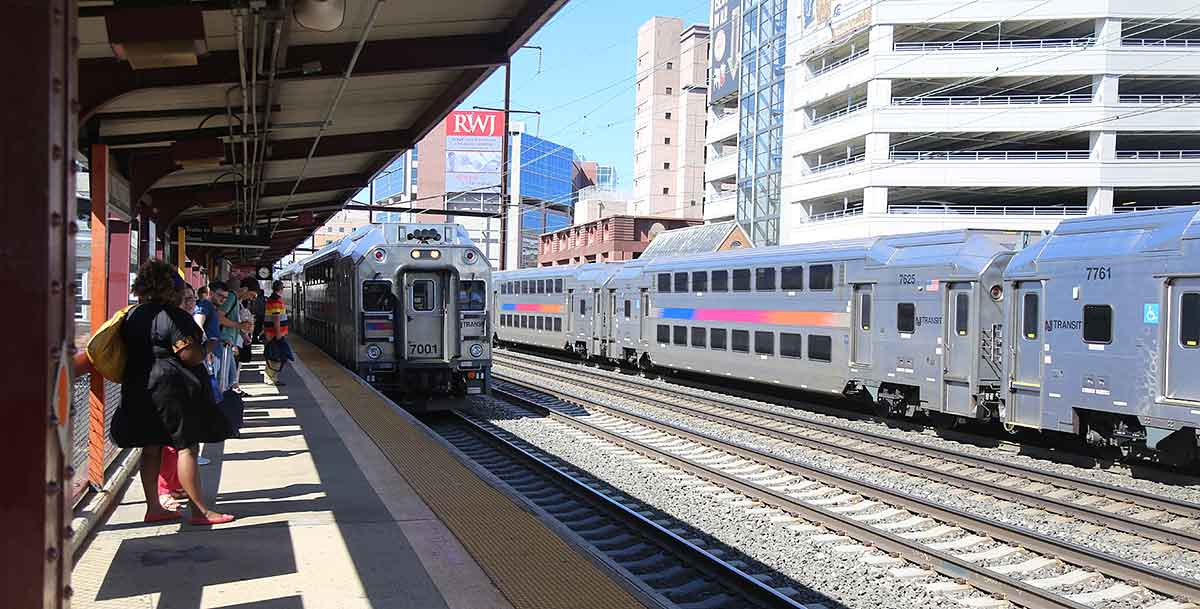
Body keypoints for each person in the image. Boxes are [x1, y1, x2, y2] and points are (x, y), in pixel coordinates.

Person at [110, 261, 234, 526]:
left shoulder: (133, 315)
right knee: (186, 447)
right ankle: (201, 512)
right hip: (172, 390)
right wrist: (207, 348)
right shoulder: (172, 315)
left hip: (139, 386)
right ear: (171, 288)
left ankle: (154, 507)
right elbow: (189, 355)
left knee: (151, 447)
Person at [214, 279, 252, 395]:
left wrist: (242, 334)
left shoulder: (236, 300)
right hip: (224, 341)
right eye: (252, 294)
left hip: (228, 341)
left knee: (230, 377)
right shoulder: (232, 297)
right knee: (224, 378)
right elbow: (219, 318)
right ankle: (222, 403)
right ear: (244, 289)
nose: (251, 298)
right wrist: (240, 326)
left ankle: (229, 397)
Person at [263, 280, 291, 386]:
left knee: (273, 355)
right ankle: (271, 378)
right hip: (274, 334)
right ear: (281, 289)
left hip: (272, 332)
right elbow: (276, 318)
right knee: (276, 356)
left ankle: (269, 377)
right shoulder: (275, 301)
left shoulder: (273, 299)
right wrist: (278, 333)